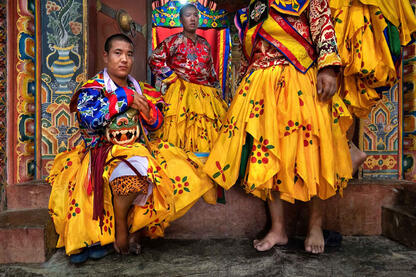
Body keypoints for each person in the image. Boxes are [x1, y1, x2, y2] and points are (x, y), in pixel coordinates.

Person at [47, 33, 213, 263]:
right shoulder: (93, 87)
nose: (124, 59)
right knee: (101, 191)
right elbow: (89, 119)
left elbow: (156, 124)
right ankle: (108, 235)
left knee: (173, 169)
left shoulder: (142, 89)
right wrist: (124, 97)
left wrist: (147, 111)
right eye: (118, 53)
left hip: (135, 149)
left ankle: (130, 230)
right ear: (106, 56)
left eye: (129, 54)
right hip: (101, 154)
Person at [204, 0, 352, 254]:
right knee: (267, 154)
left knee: (314, 154)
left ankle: (315, 226)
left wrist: (328, 69)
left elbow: (323, 27)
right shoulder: (255, 6)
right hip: (262, 85)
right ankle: (278, 228)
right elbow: (250, 50)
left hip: (301, 78)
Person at [148, 3, 227, 153]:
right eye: (188, 15)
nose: (192, 19)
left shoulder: (205, 44)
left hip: (206, 95)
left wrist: (217, 91)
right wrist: (171, 77)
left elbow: (210, 70)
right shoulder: (173, 41)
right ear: (181, 19)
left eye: (195, 15)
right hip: (182, 92)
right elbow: (154, 59)